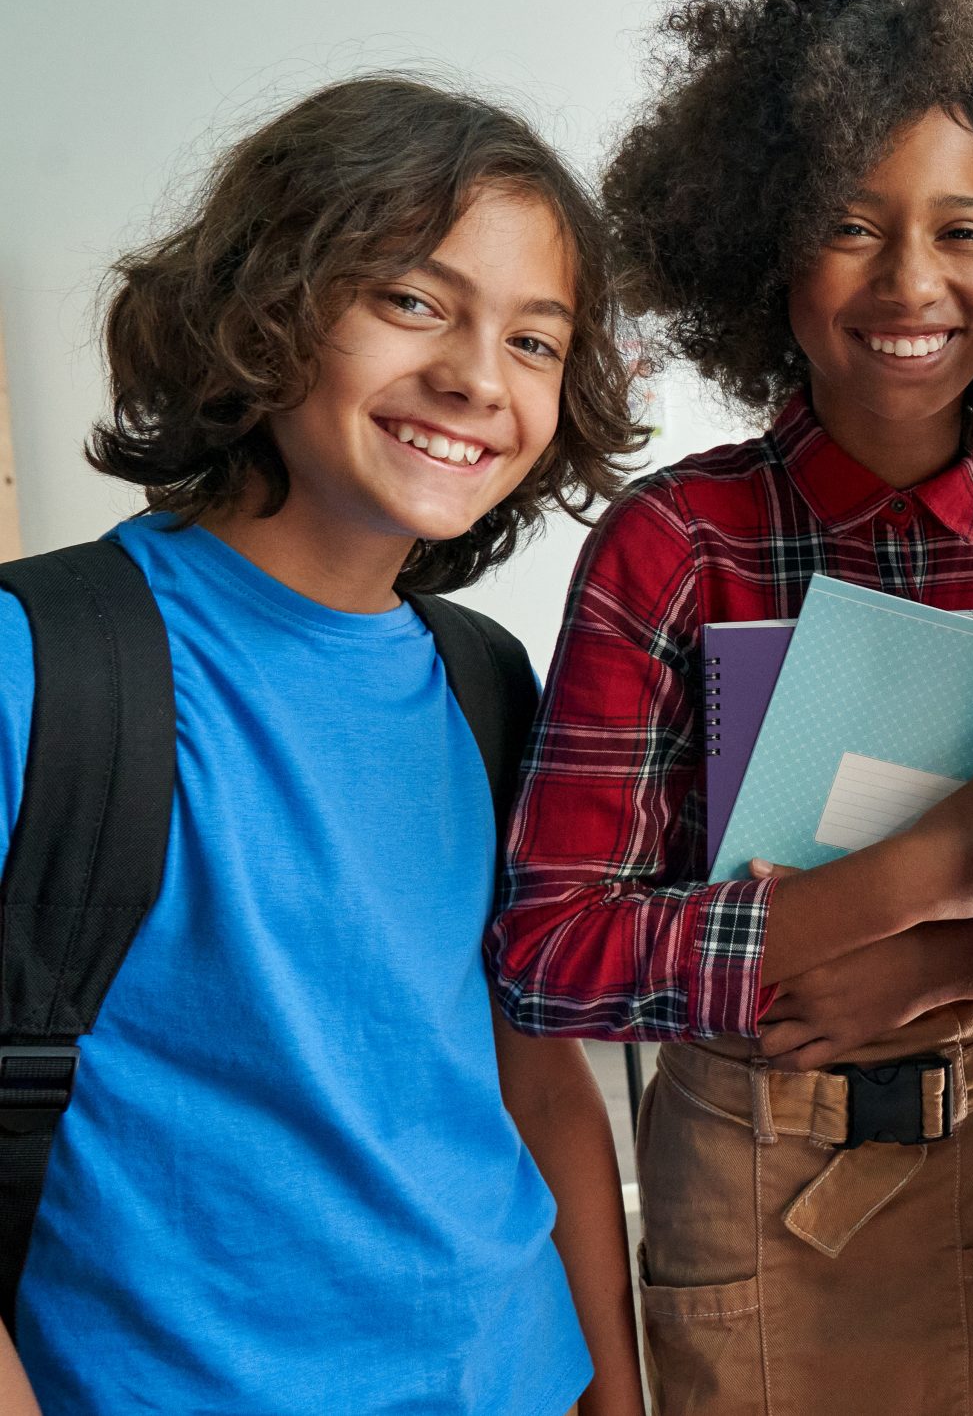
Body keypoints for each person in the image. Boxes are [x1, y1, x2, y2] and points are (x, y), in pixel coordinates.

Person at [489, 0, 973, 1414]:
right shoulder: (674, 547)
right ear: (763, 258)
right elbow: (548, 952)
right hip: (748, 1186)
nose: (909, 281)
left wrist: (965, 957)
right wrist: (876, 902)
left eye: (963, 231)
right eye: (848, 225)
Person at [0, 75, 648, 1415]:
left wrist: (614, 1394)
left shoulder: (488, 681)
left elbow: (535, 1074)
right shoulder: (42, 665)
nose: (475, 375)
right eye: (412, 300)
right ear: (266, 304)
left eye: (535, 338)